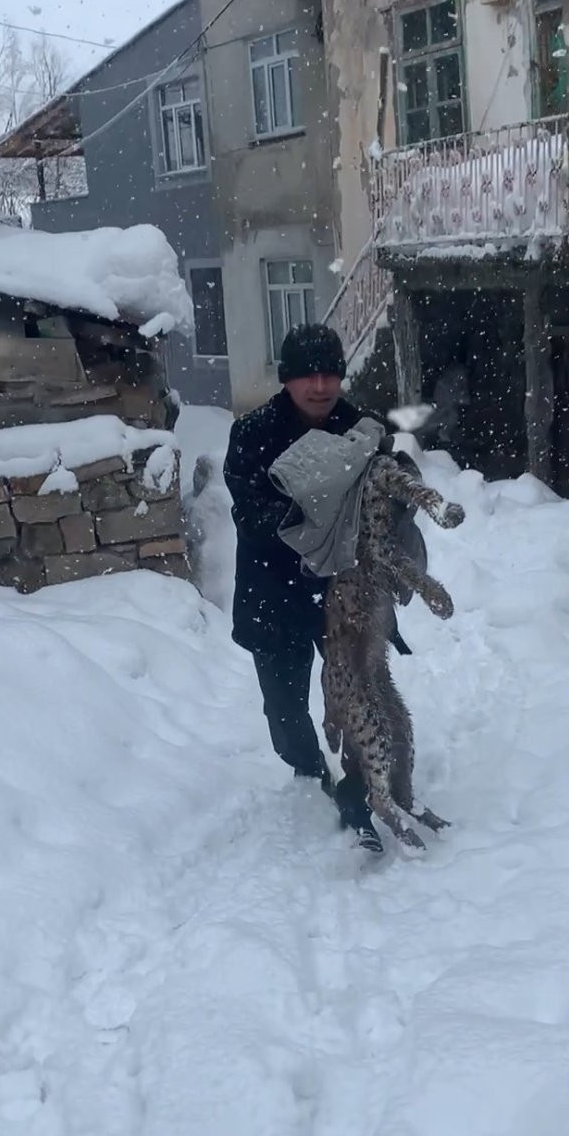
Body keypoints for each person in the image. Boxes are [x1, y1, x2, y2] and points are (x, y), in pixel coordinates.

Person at [224, 323, 394, 849]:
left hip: (342, 594)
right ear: (287, 378)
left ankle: (358, 795)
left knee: (359, 697)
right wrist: (313, 516)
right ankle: (309, 767)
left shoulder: (359, 430)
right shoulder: (253, 433)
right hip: (272, 592)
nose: (320, 387)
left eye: (330, 375)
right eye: (307, 375)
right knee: (284, 712)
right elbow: (251, 513)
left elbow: (386, 484)